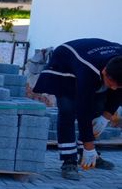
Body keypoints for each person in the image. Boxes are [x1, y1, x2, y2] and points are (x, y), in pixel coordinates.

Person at [32, 38, 121, 179]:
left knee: (98, 108)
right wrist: (89, 146)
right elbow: (83, 108)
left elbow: (118, 91)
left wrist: (107, 115)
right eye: (112, 83)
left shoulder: (117, 67)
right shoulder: (88, 69)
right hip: (64, 63)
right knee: (68, 110)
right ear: (104, 71)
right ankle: (69, 161)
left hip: (87, 61)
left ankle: (85, 154)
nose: (114, 88)